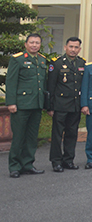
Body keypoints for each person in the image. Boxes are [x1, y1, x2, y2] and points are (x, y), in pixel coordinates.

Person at [7, 33, 48, 178]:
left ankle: (28, 164)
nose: (34, 45)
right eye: (31, 42)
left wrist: (44, 103)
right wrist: (11, 102)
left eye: (37, 43)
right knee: (19, 137)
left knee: (31, 137)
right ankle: (14, 166)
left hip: (36, 105)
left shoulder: (42, 60)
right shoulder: (17, 59)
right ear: (26, 44)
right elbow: (11, 82)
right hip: (21, 104)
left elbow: (43, 84)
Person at [47, 36, 85, 172]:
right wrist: (50, 107)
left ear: (79, 49)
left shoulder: (81, 63)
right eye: (71, 47)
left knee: (72, 134)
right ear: (65, 47)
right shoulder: (56, 63)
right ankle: (56, 161)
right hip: (60, 105)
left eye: (76, 47)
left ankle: (68, 160)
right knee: (57, 135)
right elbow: (50, 87)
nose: (73, 50)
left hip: (75, 105)